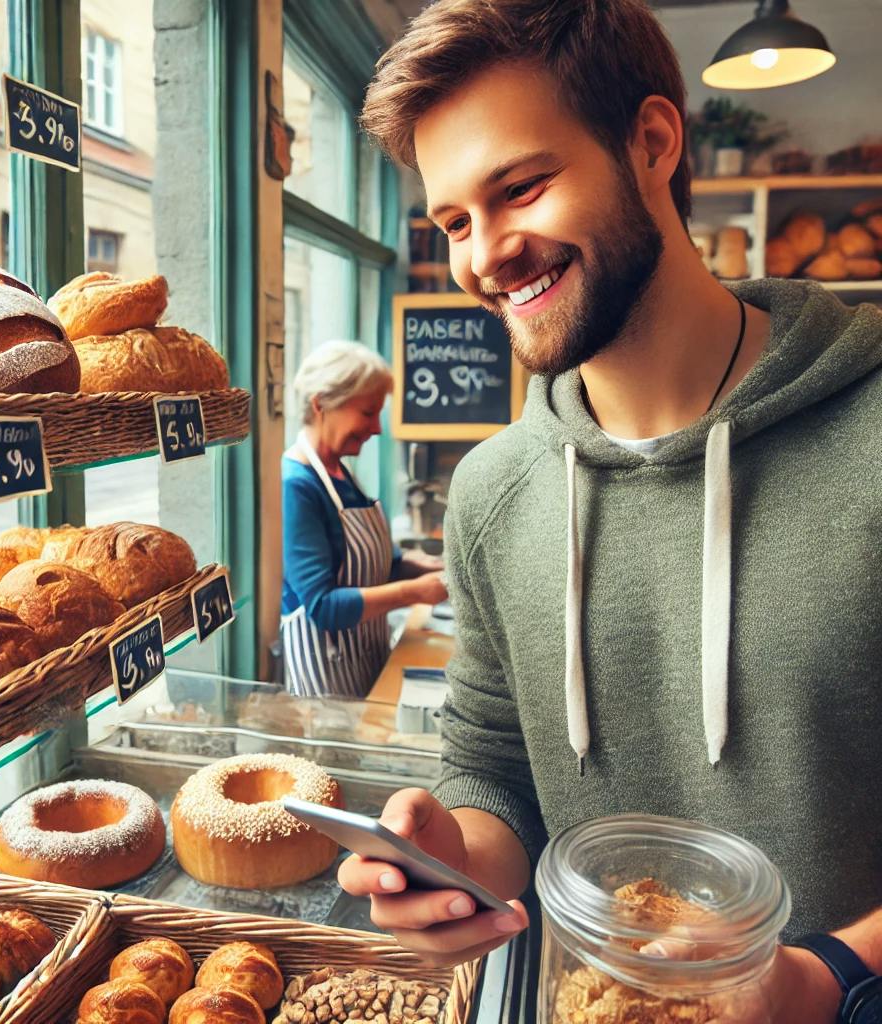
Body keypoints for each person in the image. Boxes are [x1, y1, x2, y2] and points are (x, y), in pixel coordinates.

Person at [337, 2, 882, 1020]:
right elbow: (492, 760)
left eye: (519, 188)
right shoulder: (492, 492)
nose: (484, 254)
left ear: (650, 143)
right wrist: (457, 852)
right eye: (454, 221)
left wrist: (826, 976)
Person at [281, 341, 447, 698]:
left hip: (365, 665)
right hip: (324, 687)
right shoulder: (297, 487)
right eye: (368, 413)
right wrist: (417, 592)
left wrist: (437, 568)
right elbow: (322, 607)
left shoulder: (342, 474)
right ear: (320, 404)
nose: (377, 429)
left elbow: (378, 566)